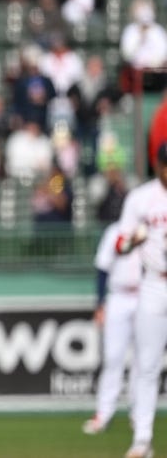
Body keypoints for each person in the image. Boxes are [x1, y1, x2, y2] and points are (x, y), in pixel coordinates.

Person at [113, 143, 167, 458]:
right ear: (157, 164)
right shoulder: (140, 198)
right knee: (147, 365)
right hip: (153, 285)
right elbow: (119, 244)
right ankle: (142, 439)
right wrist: (135, 239)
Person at [84, 222, 143, 436]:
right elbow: (102, 268)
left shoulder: (154, 228)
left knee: (143, 361)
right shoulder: (114, 231)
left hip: (147, 295)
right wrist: (100, 303)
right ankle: (103, 413)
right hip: (118, 296)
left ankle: (139, 414)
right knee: (113, 358)